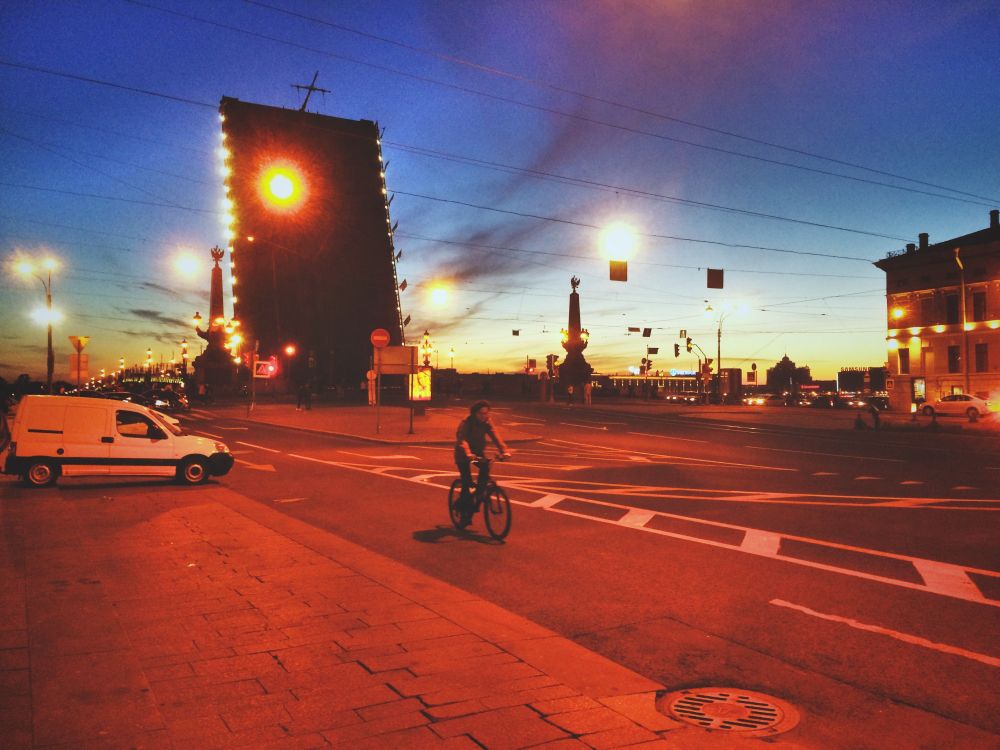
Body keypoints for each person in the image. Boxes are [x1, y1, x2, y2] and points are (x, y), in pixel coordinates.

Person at [454, 400, 511, 523]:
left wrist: (504, 450)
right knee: (467, 483)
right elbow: (462, 440)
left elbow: (495, 436)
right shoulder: (467, 422)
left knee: (485, 470)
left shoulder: (487, 422)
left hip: (478, 453)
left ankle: (479, 494)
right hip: (463, 454)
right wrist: (468, 453)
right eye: (481, 413)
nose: (484, 416)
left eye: (486, 413)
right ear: (474, 413)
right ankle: (464, 512)